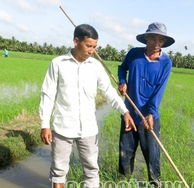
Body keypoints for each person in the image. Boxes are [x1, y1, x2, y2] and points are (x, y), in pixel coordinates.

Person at [39, 24, 136, 188]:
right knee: (58, 171)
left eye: (95, 47)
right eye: (88, 46)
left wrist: (125, 111)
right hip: (62, 127)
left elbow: (108, 92)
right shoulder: (58, 63)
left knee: (91, 171)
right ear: (76, 41)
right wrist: (44, 125)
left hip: (88, 129)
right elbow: (47, 95)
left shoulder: (95, 66)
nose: (92, 51)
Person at [117, 22, 175, 186]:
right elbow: (122, 69)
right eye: (154, 38)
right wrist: (122, 82)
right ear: (147, 37)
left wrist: (150, 113)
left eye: (161, 40)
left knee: (152, 155)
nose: (157, 43)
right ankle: (123, 181)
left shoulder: (165, 63)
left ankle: (155, 183)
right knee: (125, 153)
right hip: (129, 114)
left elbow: (159, 91)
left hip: (149, 117)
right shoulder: (134, 54)